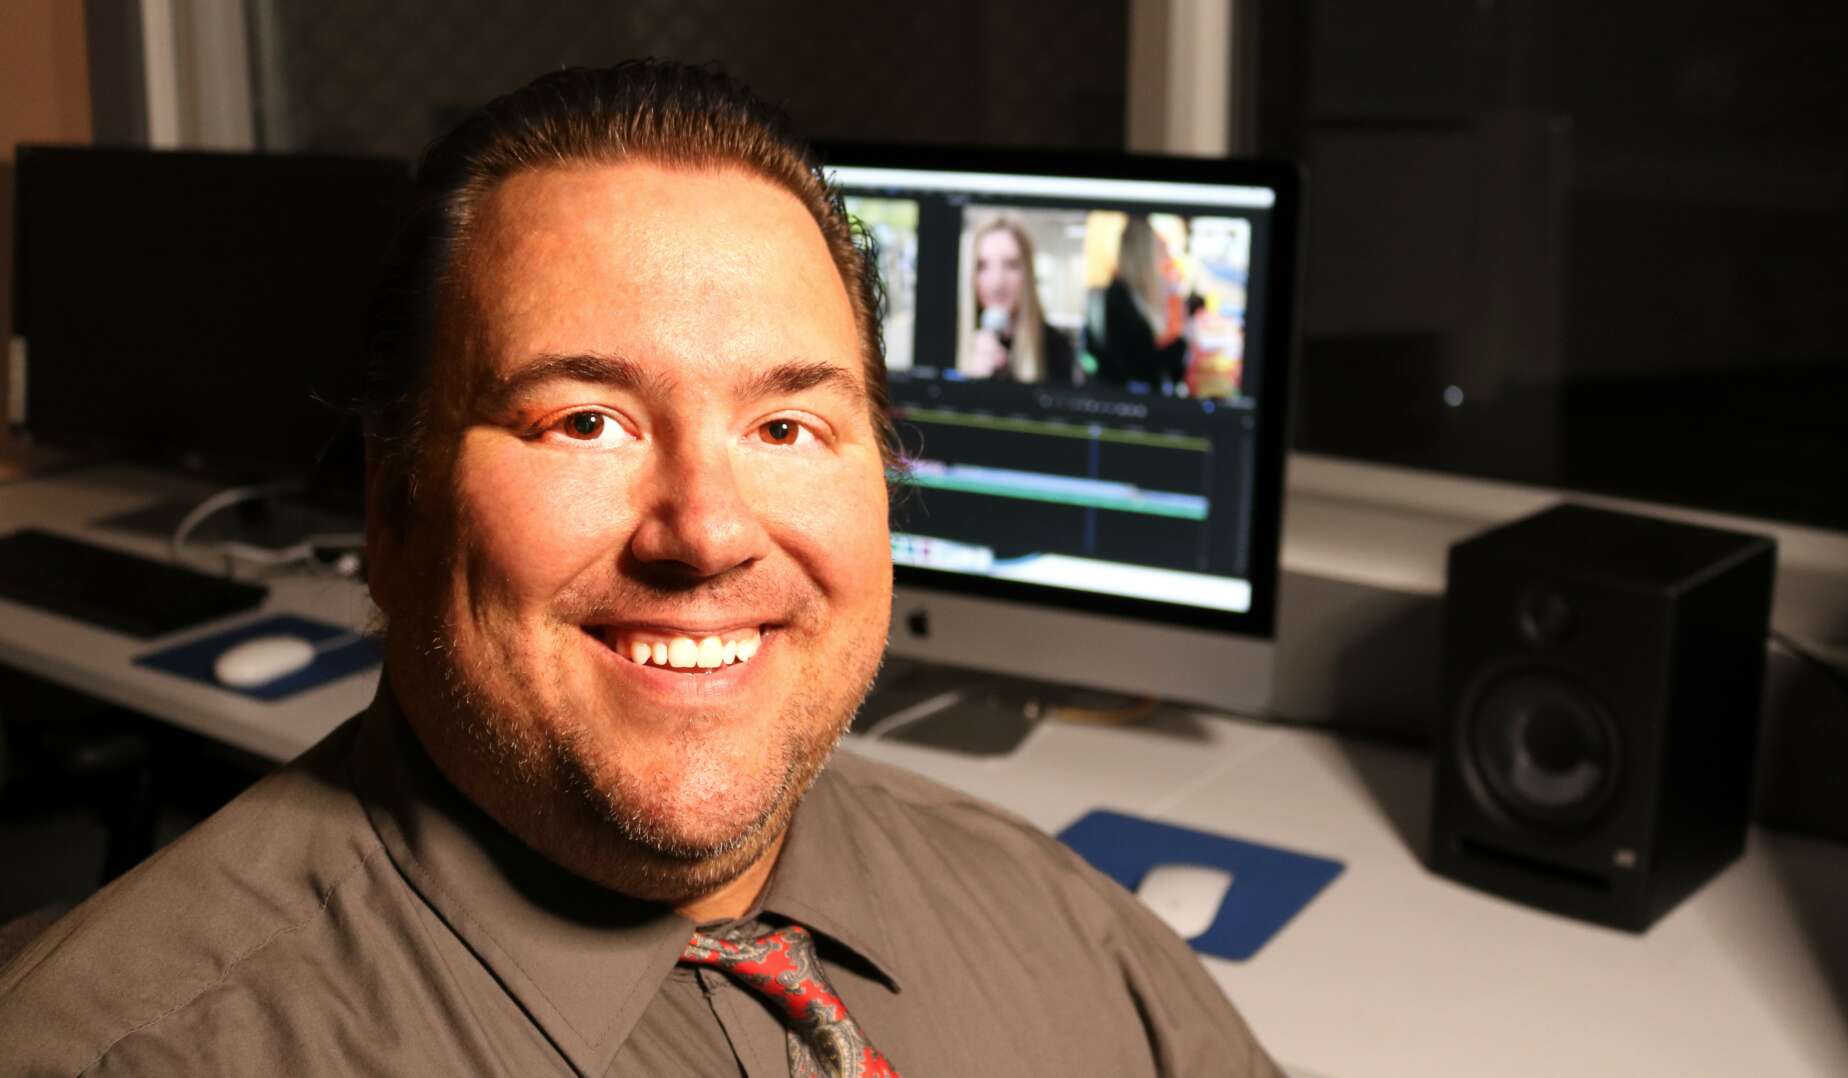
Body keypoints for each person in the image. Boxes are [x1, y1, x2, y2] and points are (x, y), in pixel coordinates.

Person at [0, 61, 1281, 1076]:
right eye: (585, 420)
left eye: (787, 426)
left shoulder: (1070, 929)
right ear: (393, 506)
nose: (706, 532)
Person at [959, 214, 1080, 384]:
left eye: (1011, 265)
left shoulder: (1057, 347)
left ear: (1028, 274)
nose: (997, 282)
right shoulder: (950, 342)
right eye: (982, 266)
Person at [1090, 216, 1191, 393]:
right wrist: (1181, 343)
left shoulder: (1137, 296)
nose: (1165, 258)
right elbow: (1138, 365)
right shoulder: (1118, 299)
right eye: (1160, 251)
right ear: (1145, 253)